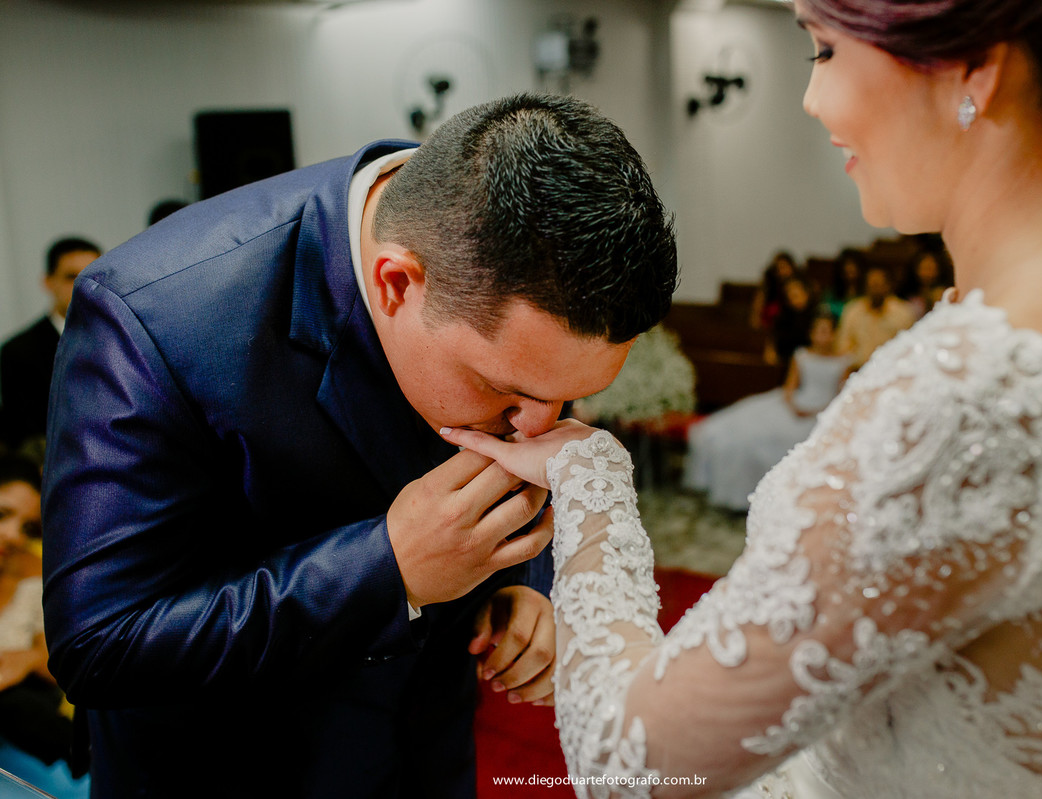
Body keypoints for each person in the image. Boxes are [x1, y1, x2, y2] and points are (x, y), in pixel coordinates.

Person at [439, 1, 1042, 797]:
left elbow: (630, 764)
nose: (810, 99)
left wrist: (591, 472)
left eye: (826, 50)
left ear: (976, 63)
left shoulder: (974, 399)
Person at [40, 93, 677, 798]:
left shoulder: (512, 292)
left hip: (428, 756)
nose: (539, 428)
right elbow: (101, 642)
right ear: (396, 282)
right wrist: (389, 567)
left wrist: (523, 583)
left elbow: (512, 450)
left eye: (565, 398)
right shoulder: (150, 316)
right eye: (507, 392)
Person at [684, 311, 848, 512]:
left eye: (826, 331)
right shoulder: (802, 355)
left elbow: (842, 396)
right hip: (795, 404)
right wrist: (794, 406)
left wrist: (816, 410)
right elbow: (790, 387)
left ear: (835, 333)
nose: (822, 336)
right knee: (740, 430)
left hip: (822, 411)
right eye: (818, 331)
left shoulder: (844, 361)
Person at [0, 454, 89, 799]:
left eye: (28, 528)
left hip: (28, 743)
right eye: (2, 515)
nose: (12, 536)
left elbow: (59, 670)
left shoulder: (34, 580)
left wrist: (26, 660)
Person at [0, 237, 100, 451]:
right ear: (48, 282)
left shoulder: (124, 339)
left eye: (92, 276)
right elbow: (23, 434)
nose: (83, 286)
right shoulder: (19, 352)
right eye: (71, 277)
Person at [834, 263, 915, 368]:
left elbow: (908, 348)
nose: (875, 290)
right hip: (858, 369)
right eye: (871, 285)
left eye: (878, 285)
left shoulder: (903, 313)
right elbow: (842, 346)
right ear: (865, 287)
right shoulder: (852, 310)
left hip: (891, 369)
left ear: (888, 286)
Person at [897, 244, 954, 319]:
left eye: (931, 269)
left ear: (938, 270)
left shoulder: (944, 292)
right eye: (925, 268)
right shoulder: (905, 293)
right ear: (916, 269)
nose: (928, 273)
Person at [818, 246, 865, 319]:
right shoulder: (830, 294)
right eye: (847, 264)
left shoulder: (866, 294)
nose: (850, 268)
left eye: (853, 264)